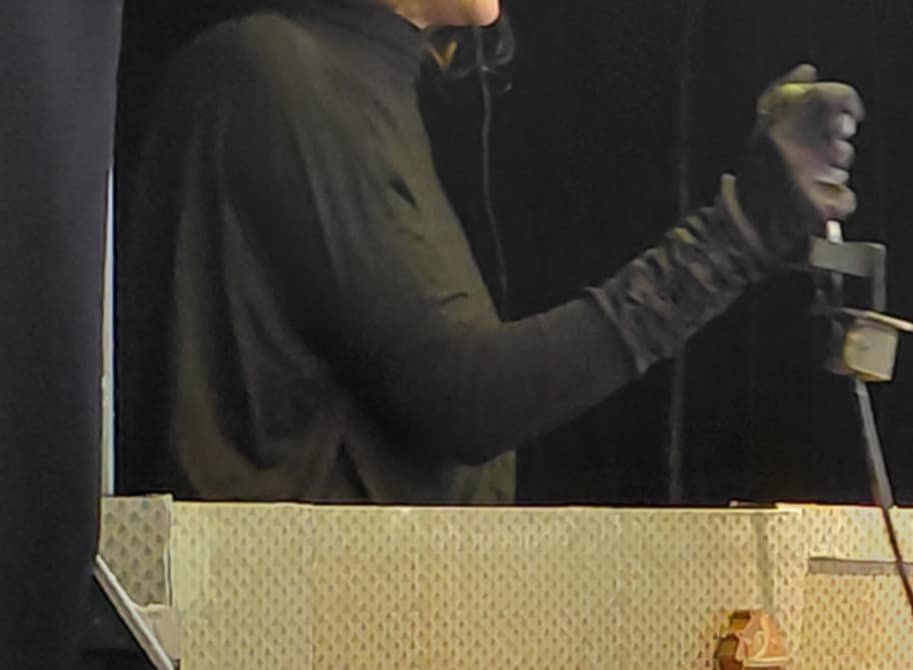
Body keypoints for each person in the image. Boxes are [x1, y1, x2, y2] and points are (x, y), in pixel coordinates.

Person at [120, 0, 863, 505]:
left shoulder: (350, 83)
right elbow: (465, 401)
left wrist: (744, 232)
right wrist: (737, 236)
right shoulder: (272, 75)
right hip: (279, 652)